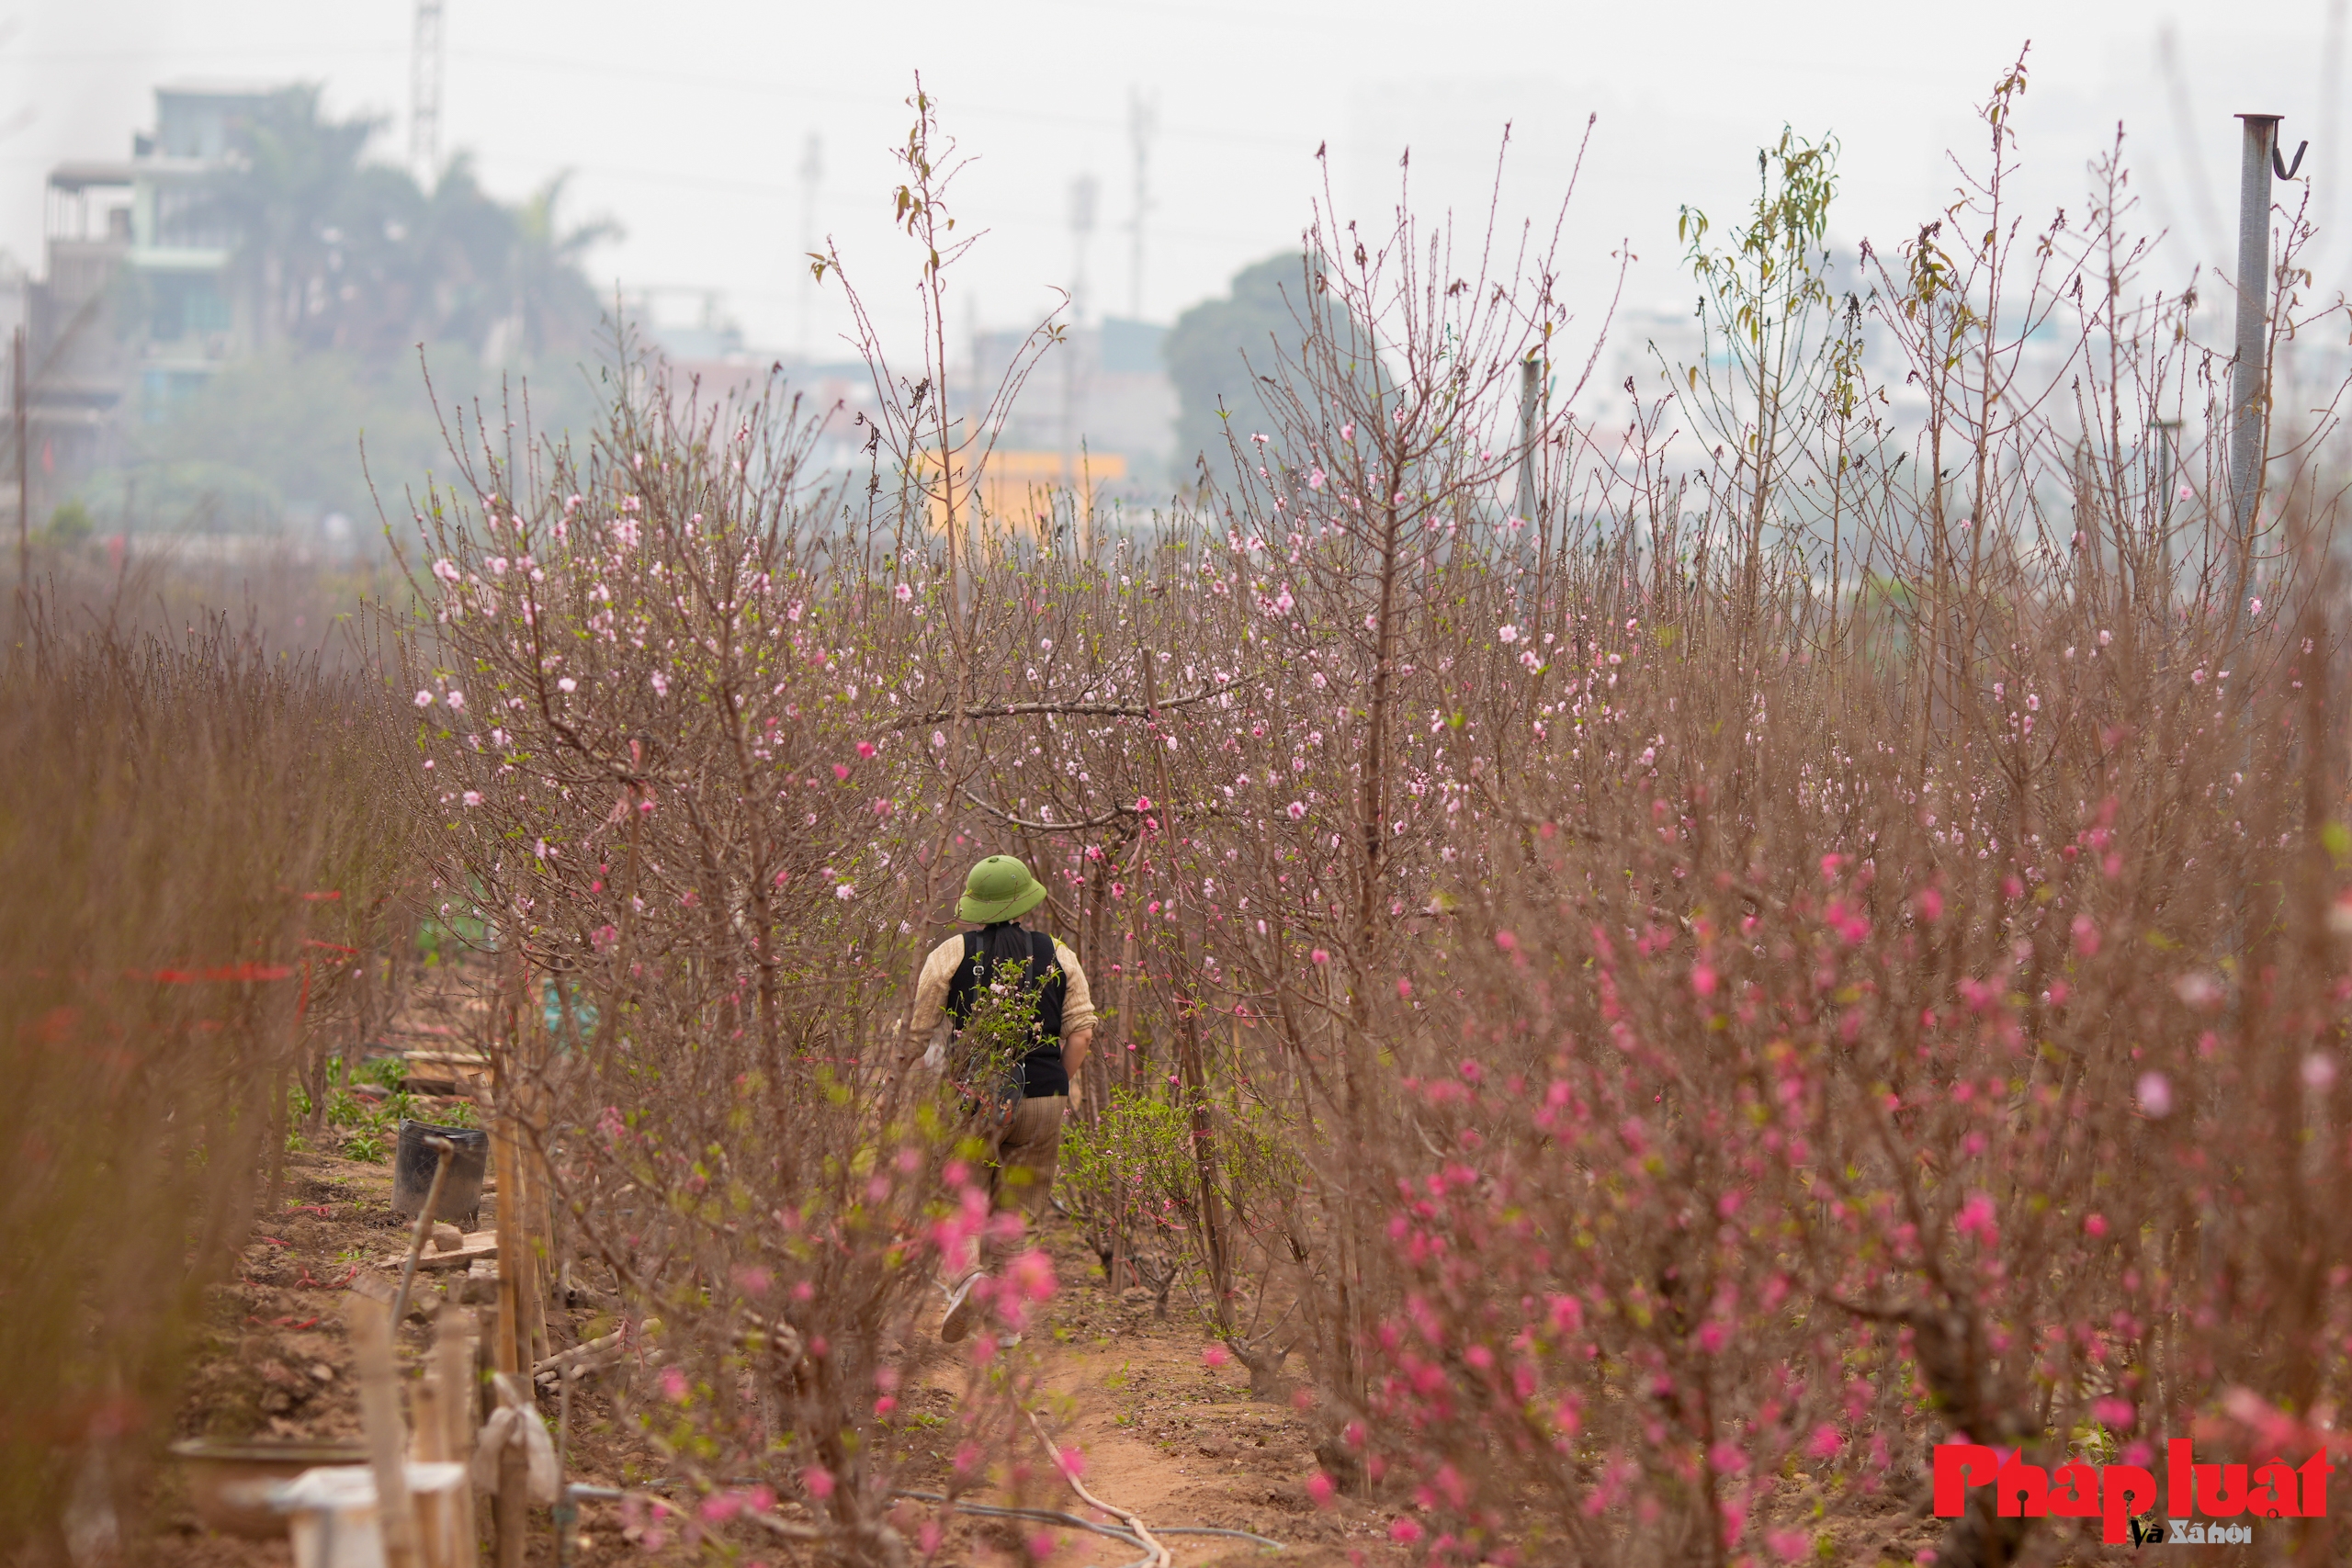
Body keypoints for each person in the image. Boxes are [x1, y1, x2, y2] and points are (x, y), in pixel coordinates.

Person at [903, 853, 1097, 1343]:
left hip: (973, 1095)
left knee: (958, 1196)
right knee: (1021, 1207)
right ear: (1025, 900)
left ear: (974, 904)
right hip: (1044, 1097)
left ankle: (969, 1278)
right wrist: (1054, 1081)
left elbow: (918, 1029)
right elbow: (1082, 1032)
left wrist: (900, 1075)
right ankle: (1009, 1321)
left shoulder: (950, 953)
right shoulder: (1059, 953)